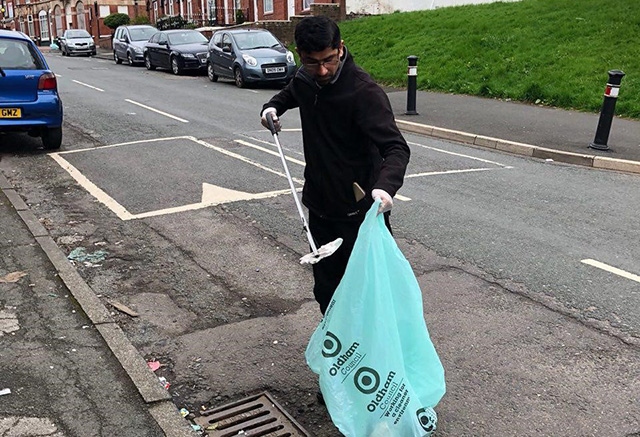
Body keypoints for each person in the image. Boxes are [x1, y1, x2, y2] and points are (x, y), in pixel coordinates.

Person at [260, 15, 410, 316]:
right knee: (327, 289)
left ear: (340, 48)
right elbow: (289, 94)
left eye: (329, 60)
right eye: (312, 62)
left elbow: (396, 147)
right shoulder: (306, 78)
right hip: (320, 206)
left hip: (361, 212)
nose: (323, 70)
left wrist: (385, 187)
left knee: (371, 289)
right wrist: (271, 109)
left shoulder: (363, 92)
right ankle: (339, 352)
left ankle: (376, 353)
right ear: (299, 55)